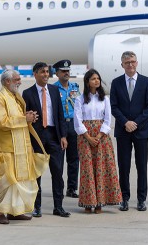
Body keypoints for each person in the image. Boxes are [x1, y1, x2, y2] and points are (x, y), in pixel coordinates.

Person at [0, 69, 49, 224]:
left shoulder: (16, 98)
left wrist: (28, 117)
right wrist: (25, 118)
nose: (19, 81)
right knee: (6, 181)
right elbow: (3, 122)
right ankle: (0, 212)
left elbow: (19, 119)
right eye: (16, 79)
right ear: (7, 81)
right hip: (7, 148)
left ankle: (15, 212)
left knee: (19, 180)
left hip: (21, 147)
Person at [22, 62, 70, 217]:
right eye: (42, 72)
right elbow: (26, 116)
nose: (45, 74)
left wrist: (63, 136)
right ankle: (37, 207)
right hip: (37, 136)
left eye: (47, 72)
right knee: (37, 174)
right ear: (35, 74)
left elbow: (60, 115)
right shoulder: (27, 93)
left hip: (54, 136)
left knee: (57, 172)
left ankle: (58, 207)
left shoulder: (55, 91)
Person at [110, 51, 148, 212]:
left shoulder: (146, 82)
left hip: (141, 131)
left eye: (133, 62)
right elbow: (114, 107)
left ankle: (141, 199)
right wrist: (125, 122)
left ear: (137, 63)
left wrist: (135, 122)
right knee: (124, 166)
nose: (130, 65)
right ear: (122, 65)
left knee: (141, 166)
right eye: (127, 62)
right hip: (123, 131)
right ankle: (124, 199)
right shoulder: (116, 83)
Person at [74, 69, 122, 213]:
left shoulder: (105, 99)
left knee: (102, 167)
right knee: (87, 168)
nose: (97, 81)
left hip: (102, 137)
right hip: (85, 137)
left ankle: (100, 202)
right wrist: (88, 137)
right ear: (87, 81)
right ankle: (88, 202)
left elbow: (108, 119)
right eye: (93, 78)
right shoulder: (80, 99)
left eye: (98, 78)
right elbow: (77, 121)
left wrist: (99, 136)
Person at [53, 59, 80, 198]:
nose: (66, 73)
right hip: (60, 125)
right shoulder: (53, 89)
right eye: (63, 71)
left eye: (67, 71)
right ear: (57, 73)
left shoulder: (75, 87)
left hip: (74, 125)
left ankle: (72, 188)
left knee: (74, 159)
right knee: (58, 160)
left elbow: (79, 105)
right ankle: (59, 187)